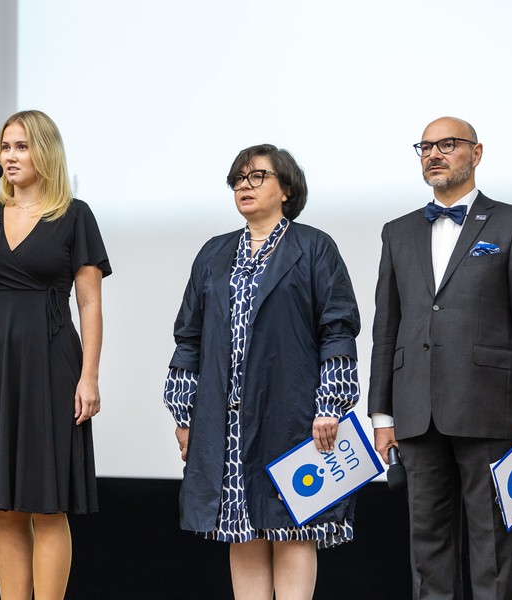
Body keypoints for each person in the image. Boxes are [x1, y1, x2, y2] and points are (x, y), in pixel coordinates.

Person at [368, 116, 512, 599]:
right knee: (426, 546)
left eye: (448, 144)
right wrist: (382, 414)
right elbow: (386, 327)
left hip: (490, 408)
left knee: (493, 545)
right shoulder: (397, 232)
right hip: (416, 410)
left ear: (476, 153)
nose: (434, 153)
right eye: (425, 147)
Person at [163, 144, 360, 599]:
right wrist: (184, 414)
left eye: (257, 177)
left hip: (292, 416)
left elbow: (337, 330)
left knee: (291, 525)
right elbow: (188, 338)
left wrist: (330, 405)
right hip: (225, 421)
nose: (244, 186)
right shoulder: (214, 253)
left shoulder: (313, 246)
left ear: (286, 189)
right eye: (238, 179)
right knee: (241, 528)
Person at [0, 110, 111, 600]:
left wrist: (89, 376)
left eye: (21, 146)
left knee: (47, 504)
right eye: (5, 147)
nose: (10, 156)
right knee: (7, 509)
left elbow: (90, 303)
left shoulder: (74, 214)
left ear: (45, 152)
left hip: (52, 360)